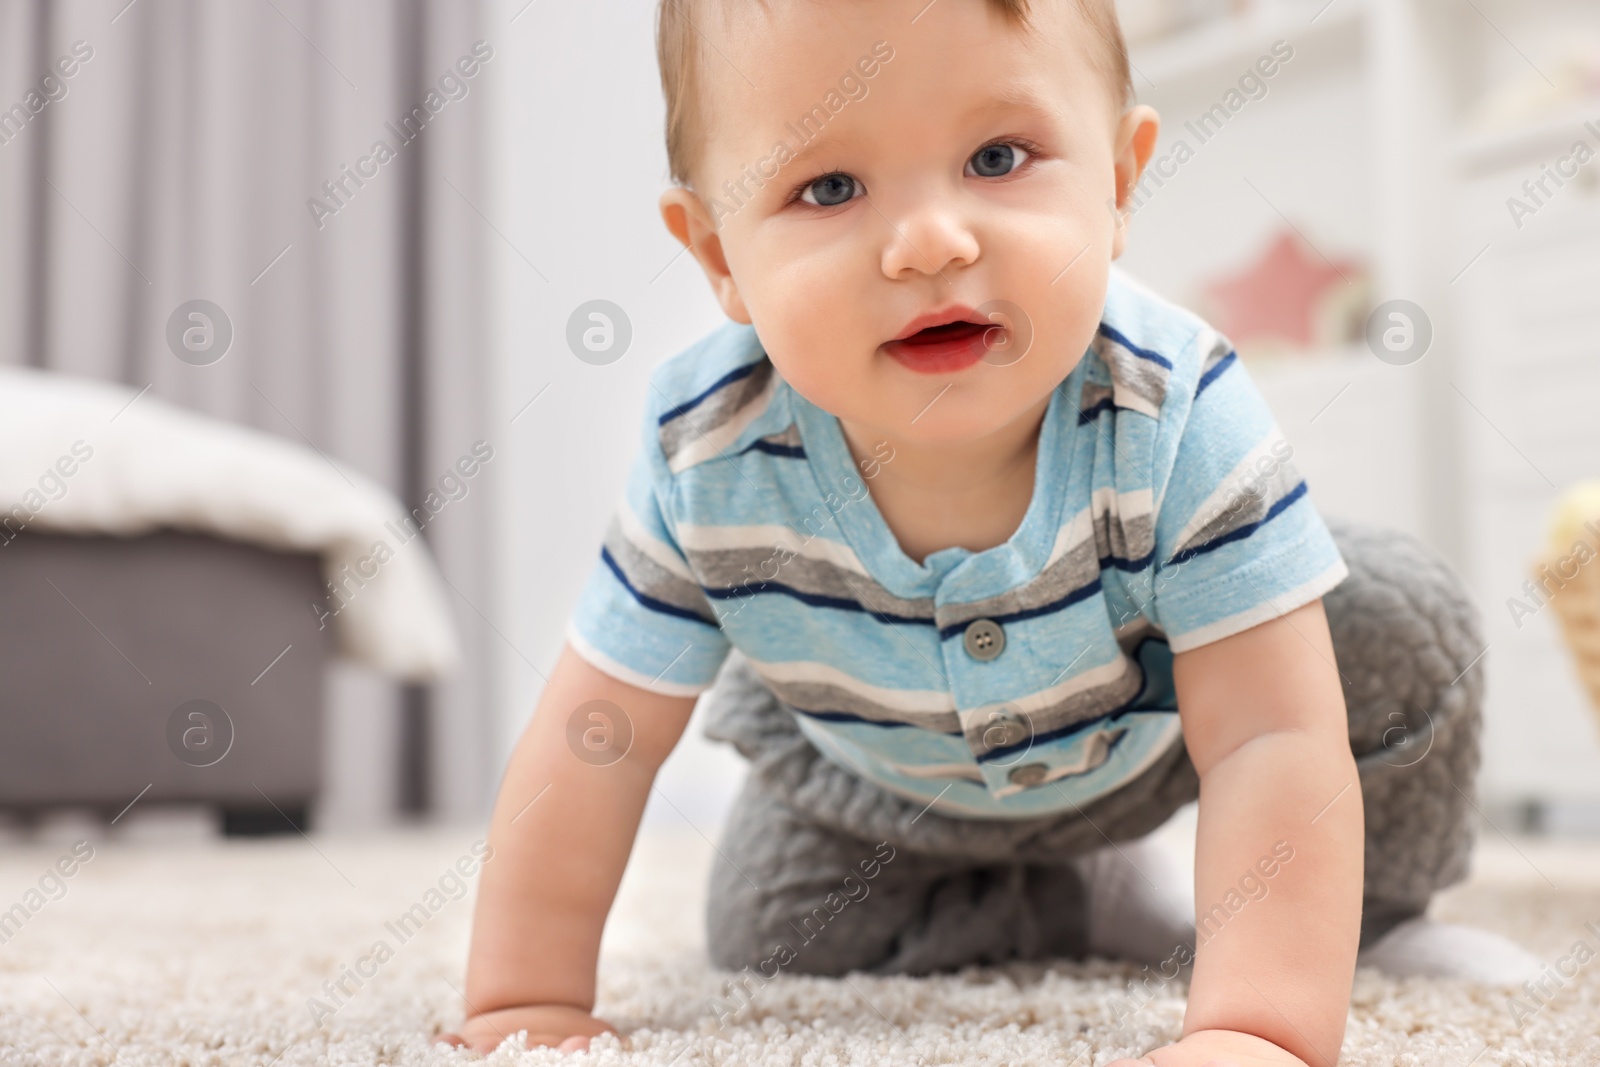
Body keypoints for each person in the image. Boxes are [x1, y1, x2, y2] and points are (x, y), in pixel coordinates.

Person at [442, 1, 1539, 1061]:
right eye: (828, 186)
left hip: (1148, 742)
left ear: (1115, 183)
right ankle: (1079, 894)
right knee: (776, 941)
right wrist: (525, 994)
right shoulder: (707, 446)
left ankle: (1372, 921)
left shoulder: (1175, 406)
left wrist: (1255, 1026)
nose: (927, 242)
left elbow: (1265, 738)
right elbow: (601, 732)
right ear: (719, 254)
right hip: (877, 775)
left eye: (998, 158)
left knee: (1390, 619)